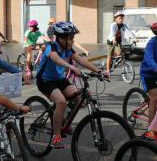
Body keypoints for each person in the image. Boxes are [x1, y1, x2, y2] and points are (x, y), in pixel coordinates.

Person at [36, 21, 106, 149]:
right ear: (62, 38)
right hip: (45, 81)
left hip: (60, 79)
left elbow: (82, 60)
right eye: (71, 38)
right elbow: (56, 58)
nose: (73, 41)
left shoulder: (68, 49)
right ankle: (55, 137)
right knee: (61, 102)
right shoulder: (50, 47)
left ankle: (64, 121)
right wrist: (71, 68)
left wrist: (99, 71)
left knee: (79, 98)